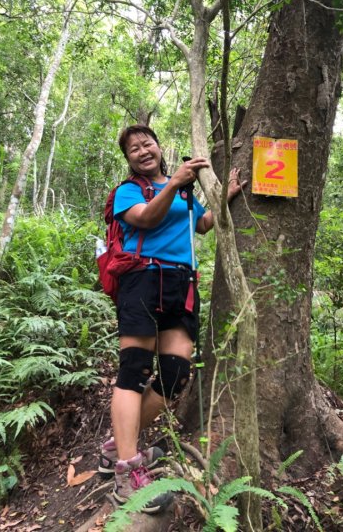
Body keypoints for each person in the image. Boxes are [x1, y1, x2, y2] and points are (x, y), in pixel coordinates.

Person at [98, 124, 245, 511]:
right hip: (142, 280)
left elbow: (201, 224)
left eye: (147, 143)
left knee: (176, 374)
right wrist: (176, 181)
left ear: (159, 146)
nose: (143, 150)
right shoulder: (128, 191)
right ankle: (127, 474)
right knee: (134, 370)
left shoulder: (182, 189)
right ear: (128, 158)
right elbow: (145, 218)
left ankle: (118, 444)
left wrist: (226, 195)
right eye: (134, 148)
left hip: (182, 284)